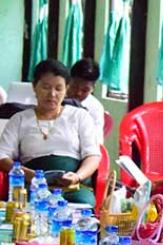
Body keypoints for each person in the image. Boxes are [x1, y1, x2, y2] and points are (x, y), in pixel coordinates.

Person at [0, 59, 101, 206]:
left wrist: (77, 177)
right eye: (46, 87)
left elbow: (93, 155)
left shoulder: (80, 116)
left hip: (73, 187)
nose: (52, 94)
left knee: (83, 204)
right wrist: (30, 175)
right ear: (34, 87)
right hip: (33, 187)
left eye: (58, 88)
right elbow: (2, 156)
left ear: (66, 89)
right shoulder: (20, 119)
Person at [67, 58, 105, 135]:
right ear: (68, 81)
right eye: (74, 87)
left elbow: (96, 139)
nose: (78, 93)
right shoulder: (55, 98)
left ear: (93, 88)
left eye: (85, 90)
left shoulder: (95, 108)